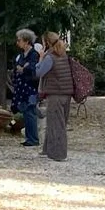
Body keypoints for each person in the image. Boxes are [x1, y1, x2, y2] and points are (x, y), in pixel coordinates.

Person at [37, 32, 74, 161]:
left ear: (46, 43)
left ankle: (59, 153)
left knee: (56, 124)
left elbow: (39, 72)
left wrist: (40, 58)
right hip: (67, 93)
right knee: (58, 121)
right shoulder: (63, 55)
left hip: (55, 93)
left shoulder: (50, 57)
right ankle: (48, 149)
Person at [11, 29, 42, 147]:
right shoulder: (22, 55)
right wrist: (22, 68)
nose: (17, 42)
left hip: (30, 88)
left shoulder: (33, 54)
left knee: (30, 111)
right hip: (22, 87)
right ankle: (29, 137)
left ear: (26, 41)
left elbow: (33, 68)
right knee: (25, 111)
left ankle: (33, 139)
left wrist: (23, 68)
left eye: (19, 40)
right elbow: (16, 67)